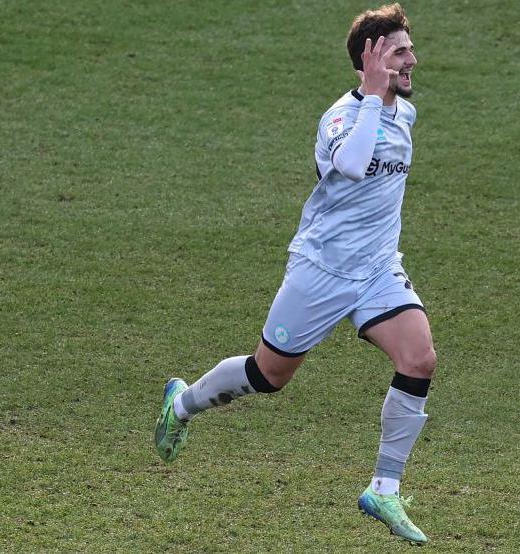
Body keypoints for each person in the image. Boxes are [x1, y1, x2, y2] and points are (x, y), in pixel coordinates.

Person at [153, 3, 434, 544]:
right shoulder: (340, 119)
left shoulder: (405, 113)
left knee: (419, 358)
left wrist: (384, 97)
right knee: (269, 376)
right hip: (321, 270)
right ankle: (182, 403)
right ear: (369, 60)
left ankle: (384, 488)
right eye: (400, 52)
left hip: (377, 269)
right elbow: (351, 165)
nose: (412, 61)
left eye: (410, 50)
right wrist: (374, 97)